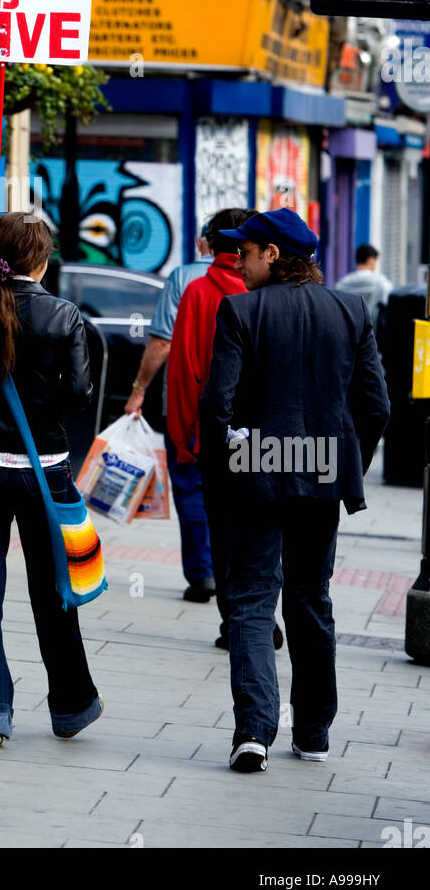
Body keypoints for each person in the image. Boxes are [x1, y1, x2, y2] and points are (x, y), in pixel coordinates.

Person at [198, 208, 390, 774]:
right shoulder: (350, 310)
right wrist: (345, 462)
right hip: (321, 473)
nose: (237, 260)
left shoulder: (240, 311)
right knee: (310, 599)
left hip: (256, 472)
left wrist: (227, 470)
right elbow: (376, 406)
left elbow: (216, 405)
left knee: (252, 600)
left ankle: (253, 733)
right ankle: (312, 733)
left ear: (274, 256)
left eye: (246, 251)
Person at [0, 212, 103, 748]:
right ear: (40, 259)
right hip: (44, 472)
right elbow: (80, 393)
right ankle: (71, 706)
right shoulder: (63, 314)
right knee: (53, 588)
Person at [166, 209, 253, 647]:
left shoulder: (197, 292)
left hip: (212, 433)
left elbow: (182, 370)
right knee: (256, 527)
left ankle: (229, 615)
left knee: (219, 525)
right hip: (265, 438)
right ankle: (258, 613)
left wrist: (183, 438)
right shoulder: (266, 291)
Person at [125, 218, 216, 602]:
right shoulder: (254, 277)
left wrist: (139, 389)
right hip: (243, 413)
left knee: (191, 486)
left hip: (189, 403)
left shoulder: (184, 278)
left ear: (202, 243)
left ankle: (202, 573)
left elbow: (161, 342)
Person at [334, 244, 392, 330]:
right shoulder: (381, 283)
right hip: (371, 336)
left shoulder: (341, 284)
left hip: (346, 334)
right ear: (371, 260)